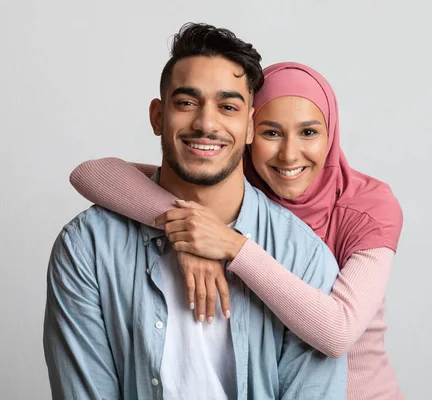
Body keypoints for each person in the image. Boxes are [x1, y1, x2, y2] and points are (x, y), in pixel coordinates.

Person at [43, 23, 347, 400]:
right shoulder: (88, 247)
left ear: (251, 127)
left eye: (228, 107)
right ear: (158, 117)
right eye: (187, 103)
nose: (205, 123)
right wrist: (184, 229)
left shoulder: (302, 257)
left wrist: (231, 248)